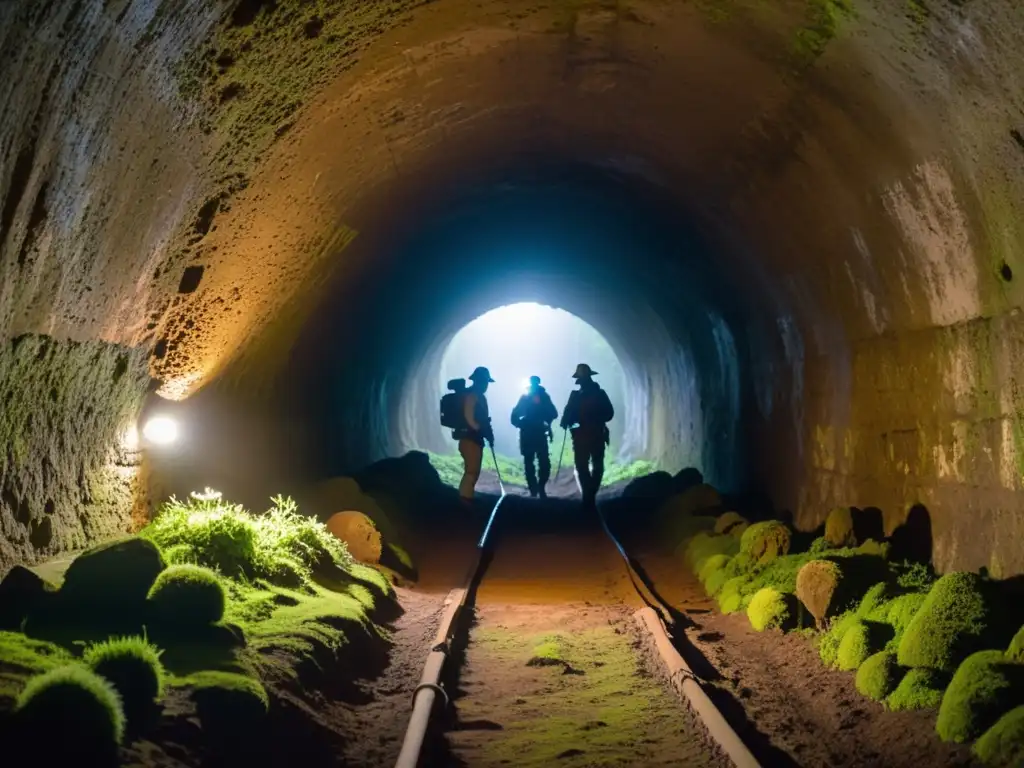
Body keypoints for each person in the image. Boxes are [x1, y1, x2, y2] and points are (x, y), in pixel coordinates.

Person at [559, 363, 614, 509]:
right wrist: (567, 421)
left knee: (587, 465)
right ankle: (589, 494)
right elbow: (609, 414)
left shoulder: (584, 396)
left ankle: (588, 494)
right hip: (589, 436)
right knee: (592, 465)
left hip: (587, 436)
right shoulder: (585, 395)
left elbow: (609, 414)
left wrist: (568, 422)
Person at [453, 366, 495, 508]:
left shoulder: (479, 397)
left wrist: (486, 432)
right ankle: (464, 503)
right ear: (479, 381)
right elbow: (469, 418)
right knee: (471, 472)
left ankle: (465, 500)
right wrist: (480, 429)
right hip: (469, 438)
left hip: (473, 439)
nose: (486, 385)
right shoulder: (472, 396)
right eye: (485, 382)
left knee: (473, 471)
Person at [511, 375, 558, 498]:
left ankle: (537, 488)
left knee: (533, 462)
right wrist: (545, 423)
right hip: (536, 432)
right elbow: (553, 413)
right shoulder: (540, 398)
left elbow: (514, 416)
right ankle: (537, 488)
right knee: (539, 461)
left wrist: (521, 423)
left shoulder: (528, 398)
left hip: (531, 432)